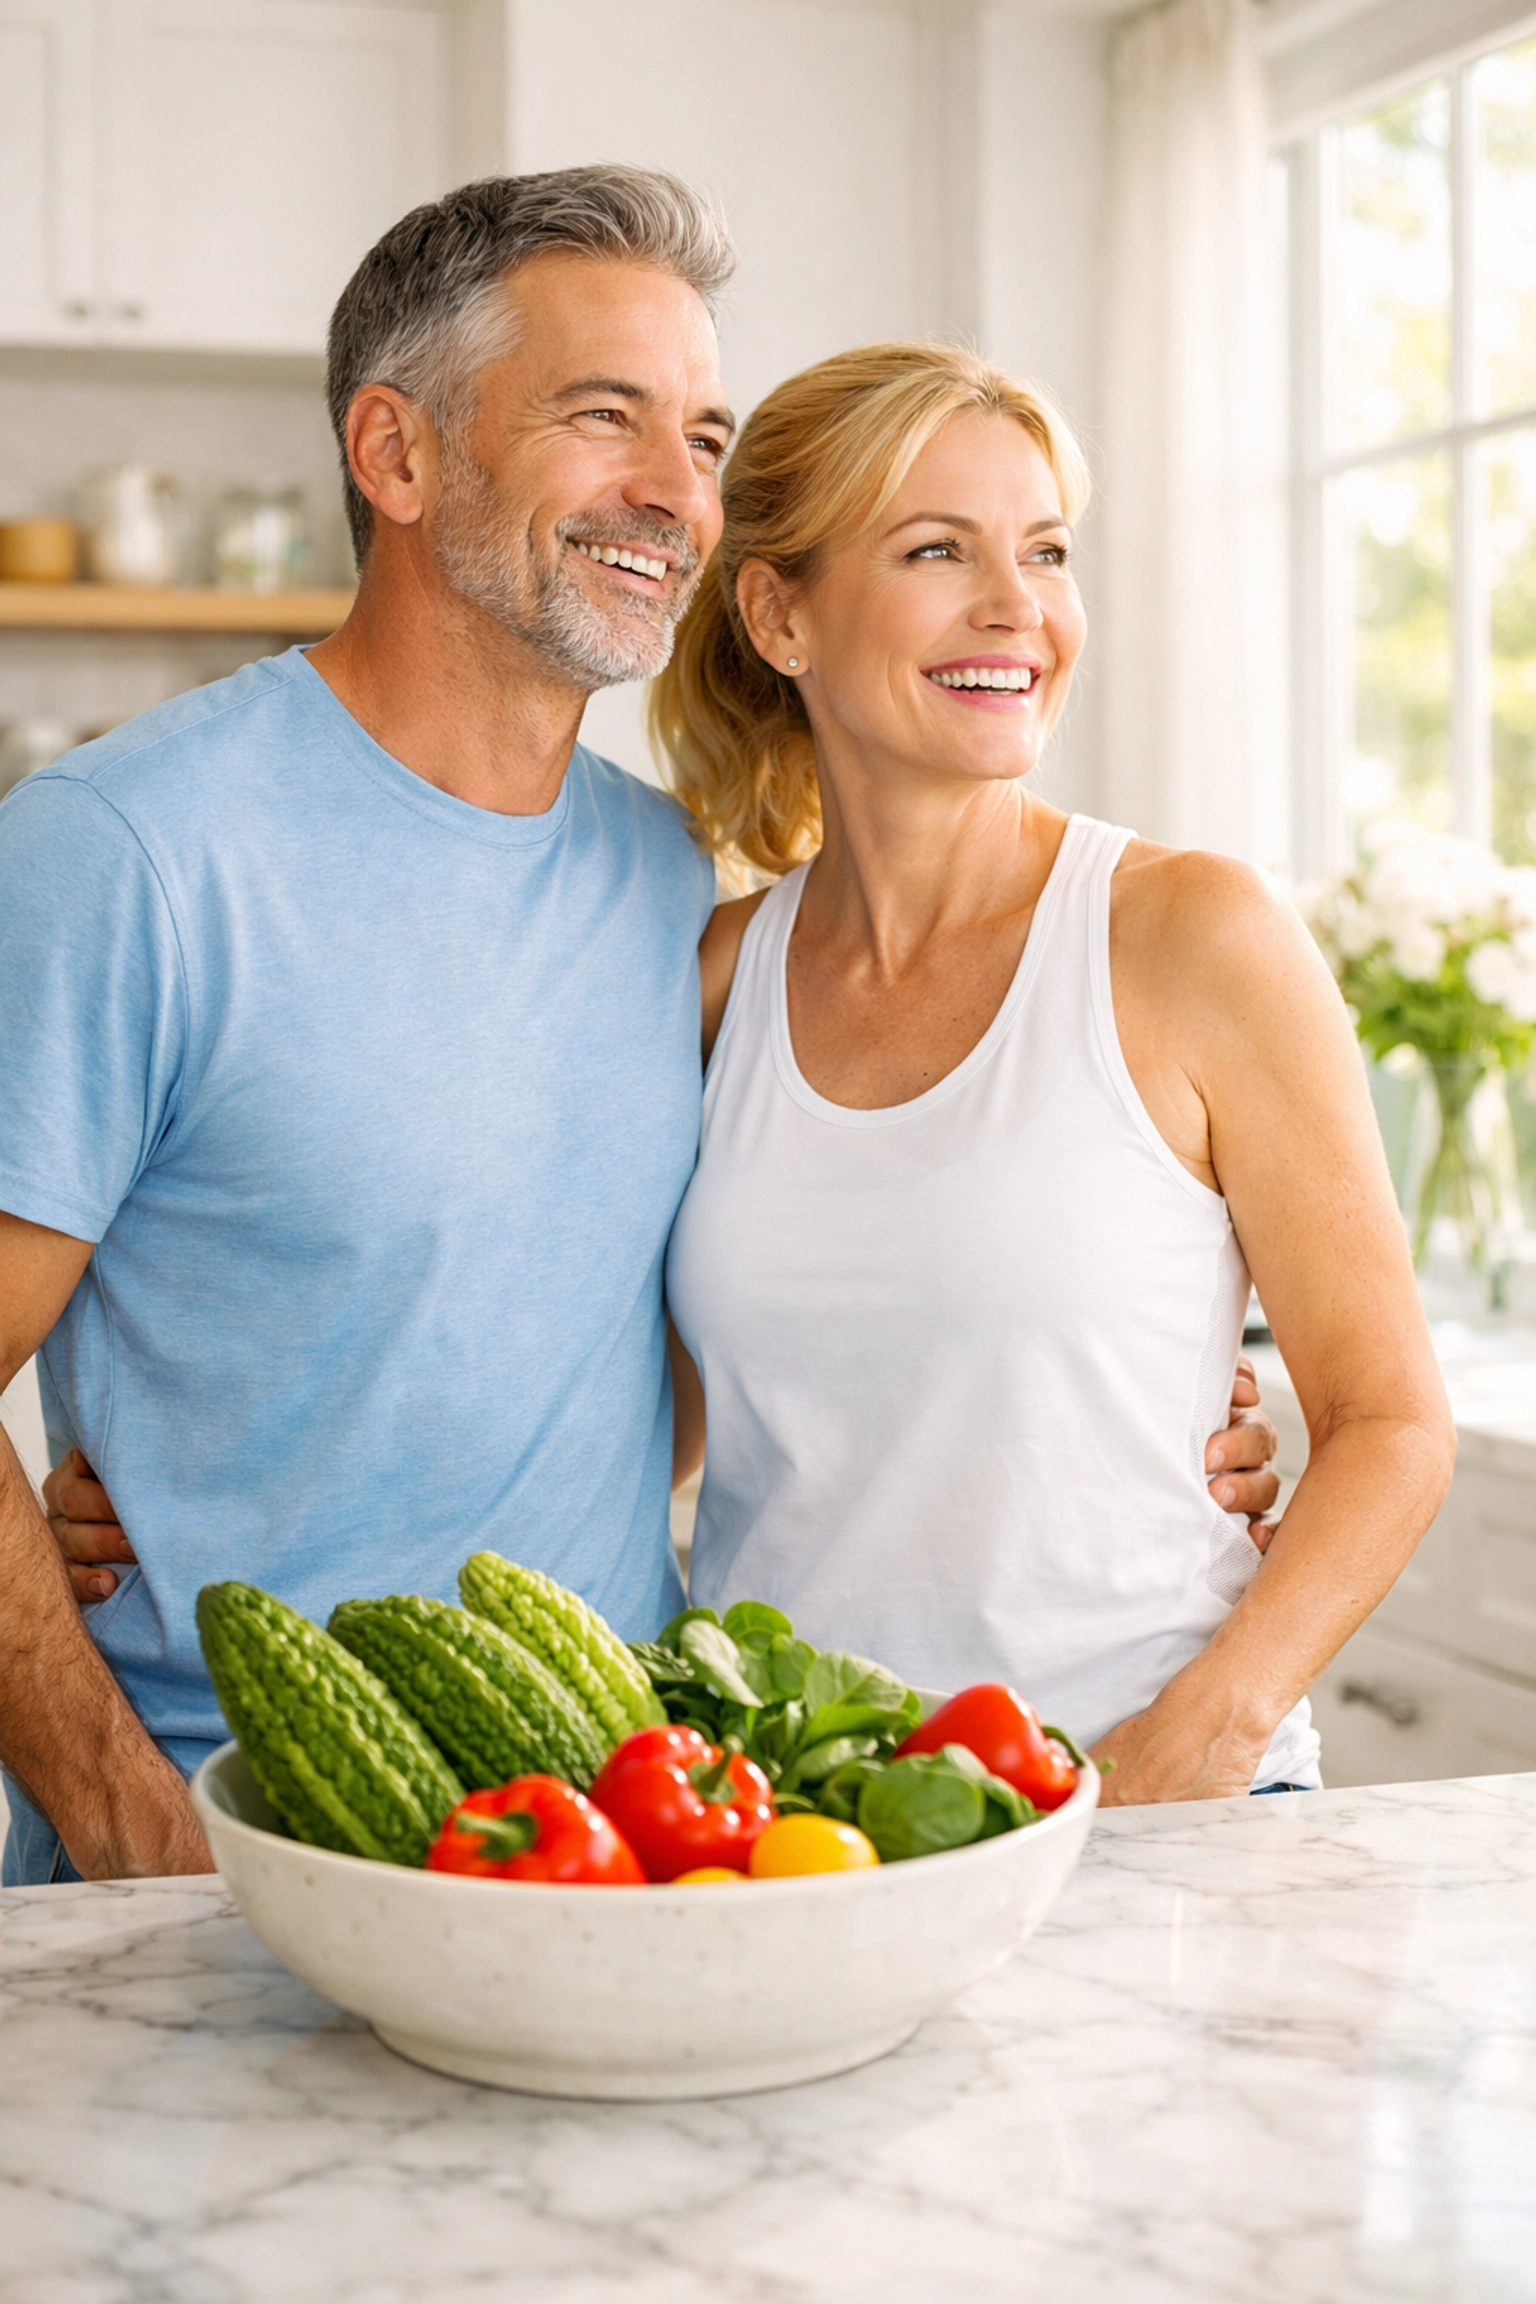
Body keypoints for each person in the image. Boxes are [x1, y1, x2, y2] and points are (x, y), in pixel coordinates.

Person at [3, 176, 1278, 1888]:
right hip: (236, 1858)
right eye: (605, 417)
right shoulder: (126, 855)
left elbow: (656, 1332)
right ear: (395, 457)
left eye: (703, 437)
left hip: (635, 1851)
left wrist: (1149, 1411)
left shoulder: (673, 895)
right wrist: (123, 1819)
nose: (677, 494)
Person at [654, 342, 1456, 1800]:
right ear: (780, 613)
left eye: (1046, 551)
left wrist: (1201, 1733)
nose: (1017, 605)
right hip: (795, 1831)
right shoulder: (711, 982)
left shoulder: (1192, 938)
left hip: (1150, 1803)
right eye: (936, 549)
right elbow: (618, 1421)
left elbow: (1390, 1422)